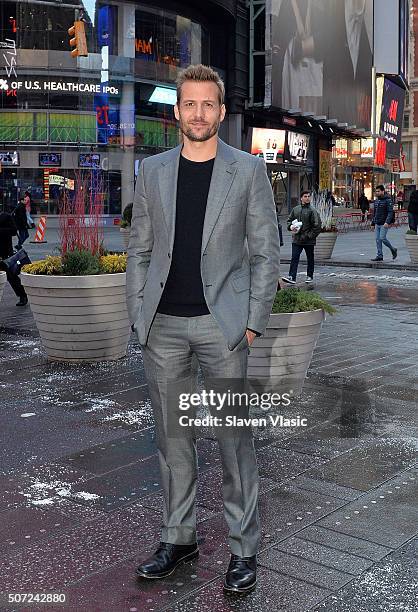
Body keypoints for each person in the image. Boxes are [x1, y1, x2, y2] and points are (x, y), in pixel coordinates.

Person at [126, 64, 280, 593]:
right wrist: (137, 315)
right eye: (189, 104)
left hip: (224, 329)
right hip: (163, 327)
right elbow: (139, 251)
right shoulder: (152, 172)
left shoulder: (248, 172)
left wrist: (253, 324)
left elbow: (265, 254)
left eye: (208, 105)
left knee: (234, 442)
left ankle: (243, 549)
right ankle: (179, 537)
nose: (198, 113)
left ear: (220, 111)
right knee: (173, 442)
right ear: (177, 112)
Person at [282, 190, 322, 284]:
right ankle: (292, 277)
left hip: (308, 240)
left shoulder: (312, 211)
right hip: (297, 239)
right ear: (301, 198)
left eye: (308, 196)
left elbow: (317, 226)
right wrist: (290, 226)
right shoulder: (296, 209)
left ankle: (309, 276)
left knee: (310, 258)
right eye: (305, 196)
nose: (307, 198)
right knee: (294, 257)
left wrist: (309, 236)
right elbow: (289, 220)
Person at [0, 211, 28, 306]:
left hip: (4, 251)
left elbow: (13, 231)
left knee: (11, 276)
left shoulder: (6, 216)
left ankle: (23, 295)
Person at [371, 185, 397, 261]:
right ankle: (380, 255)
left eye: (378, 191)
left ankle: (393, 249)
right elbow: (375, 213)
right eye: (376, 191)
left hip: (384, 223)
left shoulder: (388, 200)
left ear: (383, 191)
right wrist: (373, 223)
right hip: (377, 223)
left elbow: (390, 212)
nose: (377, 193)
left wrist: (387, 222)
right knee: (377, 239)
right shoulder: (376, 201)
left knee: (382, 238)